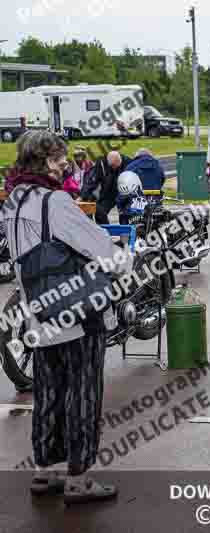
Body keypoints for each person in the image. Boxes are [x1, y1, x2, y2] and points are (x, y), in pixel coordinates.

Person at [0, 131, 131, 504]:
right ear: (42, 161)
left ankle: (45, 471)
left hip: (39, 316)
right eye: (58, 159)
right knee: (83, 392)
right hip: (76, 316)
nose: (64, 166)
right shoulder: (55, 202)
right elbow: (99, 247)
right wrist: (127, 260)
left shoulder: (12, 201)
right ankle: (79, 478)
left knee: (49, 393)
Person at [82, 150, 131, 225]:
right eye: (112, 166)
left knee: (124, 216)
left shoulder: (129, 163)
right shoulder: (101, 163)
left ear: (120, 160)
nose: (114, 168)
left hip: (124, 194)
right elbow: (92, 181)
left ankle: (124, 234)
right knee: (100, 212)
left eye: (116, 166)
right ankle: (104, 232)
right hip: (108, 193)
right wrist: (83, 196)